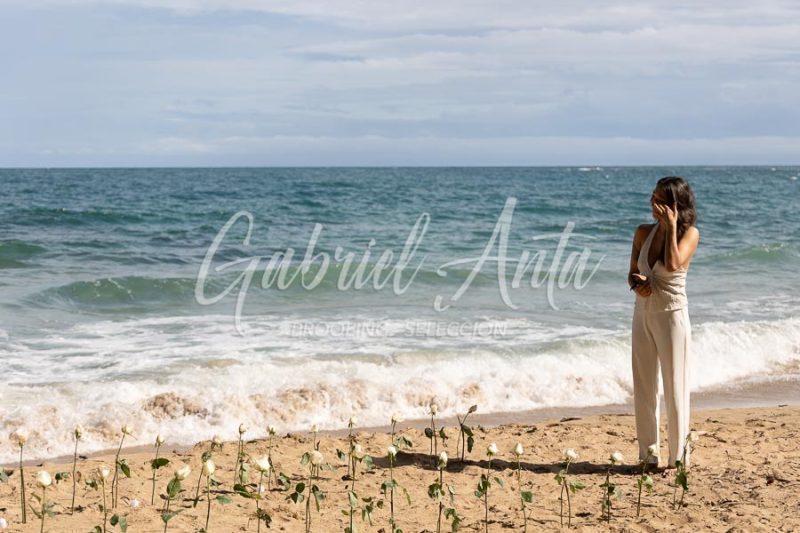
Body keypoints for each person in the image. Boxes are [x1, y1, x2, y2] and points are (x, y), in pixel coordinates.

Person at [628, 176, 699, 471]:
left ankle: (678, 458)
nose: (653, 203)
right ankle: (648, 456)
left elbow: (672, 264)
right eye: (652, 197)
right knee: (644, 386)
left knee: (675, 387)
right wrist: (637, 284)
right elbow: (632, 272)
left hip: (672, 316)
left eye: (660, 199)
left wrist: (670, 228)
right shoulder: (642, 232)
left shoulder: (690, 234)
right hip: (642, 314)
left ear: (675, 205)